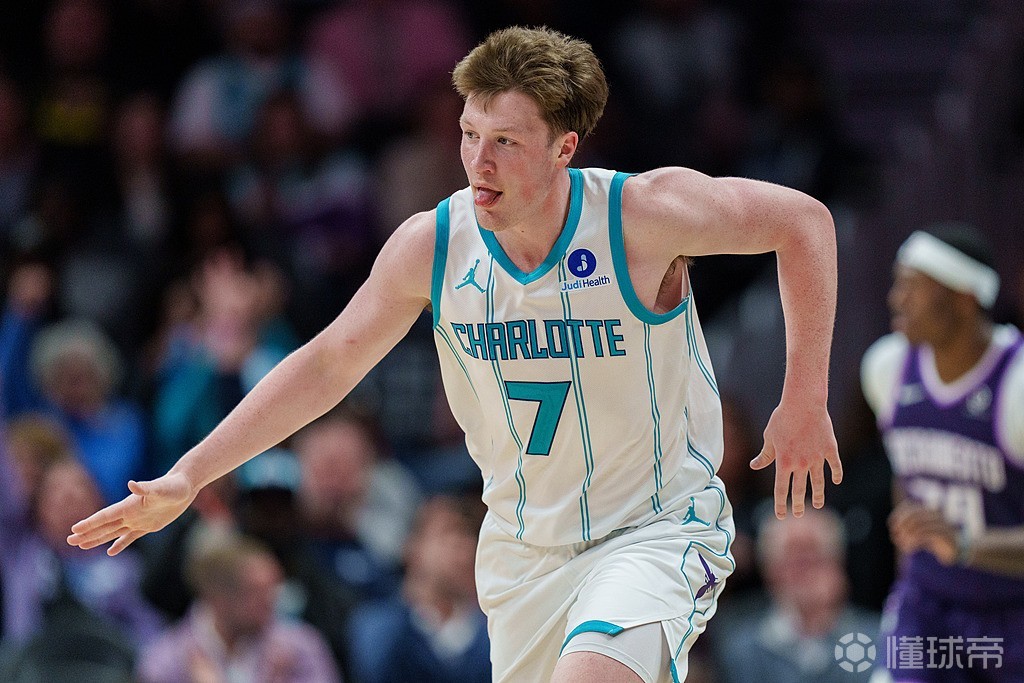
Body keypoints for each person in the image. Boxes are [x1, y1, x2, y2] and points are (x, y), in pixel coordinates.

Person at [68, 26, 842, 683]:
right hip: (522, 551)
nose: (479, 161)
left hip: (654, 527)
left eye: (505, 141)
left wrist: (804, 394)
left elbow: (803, 222)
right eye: (470, 134)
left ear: (564, 148)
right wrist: (192, 471)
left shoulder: (640, 215)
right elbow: (329, 362)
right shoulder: (433, 245)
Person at [861, 223, 1024, 682]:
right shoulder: (887, 366)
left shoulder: (1016, 384)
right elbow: (907, 475)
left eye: (912, 287)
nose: (896, 299)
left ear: (964, 298)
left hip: (1013, 610)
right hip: (927, 606)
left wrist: (966, 545)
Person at [711, 507, 879, 683]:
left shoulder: (879, 638)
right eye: (793, 561)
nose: (804, 573)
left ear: (837, 564)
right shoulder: (739, 646)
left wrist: (823, 623)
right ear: (769, 570)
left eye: (813, 558)